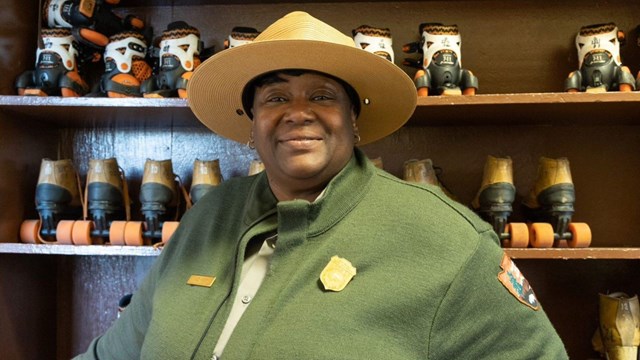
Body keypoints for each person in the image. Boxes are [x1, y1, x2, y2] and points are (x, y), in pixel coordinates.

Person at [75, 11, 568, 359]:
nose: (298, 112)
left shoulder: (446, 239)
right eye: (274, 97)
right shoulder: (205, 218)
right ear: (251, 123)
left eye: (322, 94)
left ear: (354, 121)